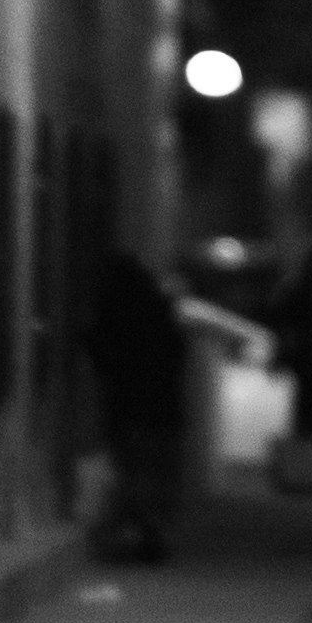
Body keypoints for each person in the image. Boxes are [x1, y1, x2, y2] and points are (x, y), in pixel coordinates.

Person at [81, 234, 190, 561]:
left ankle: (137, 530)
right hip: (163, 404)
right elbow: (177, 351)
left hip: (128, 403)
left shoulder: (113, 311)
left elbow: (98, 348)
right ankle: (154, 532)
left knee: (133, 469)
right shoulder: (159, 306)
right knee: (157, 472)